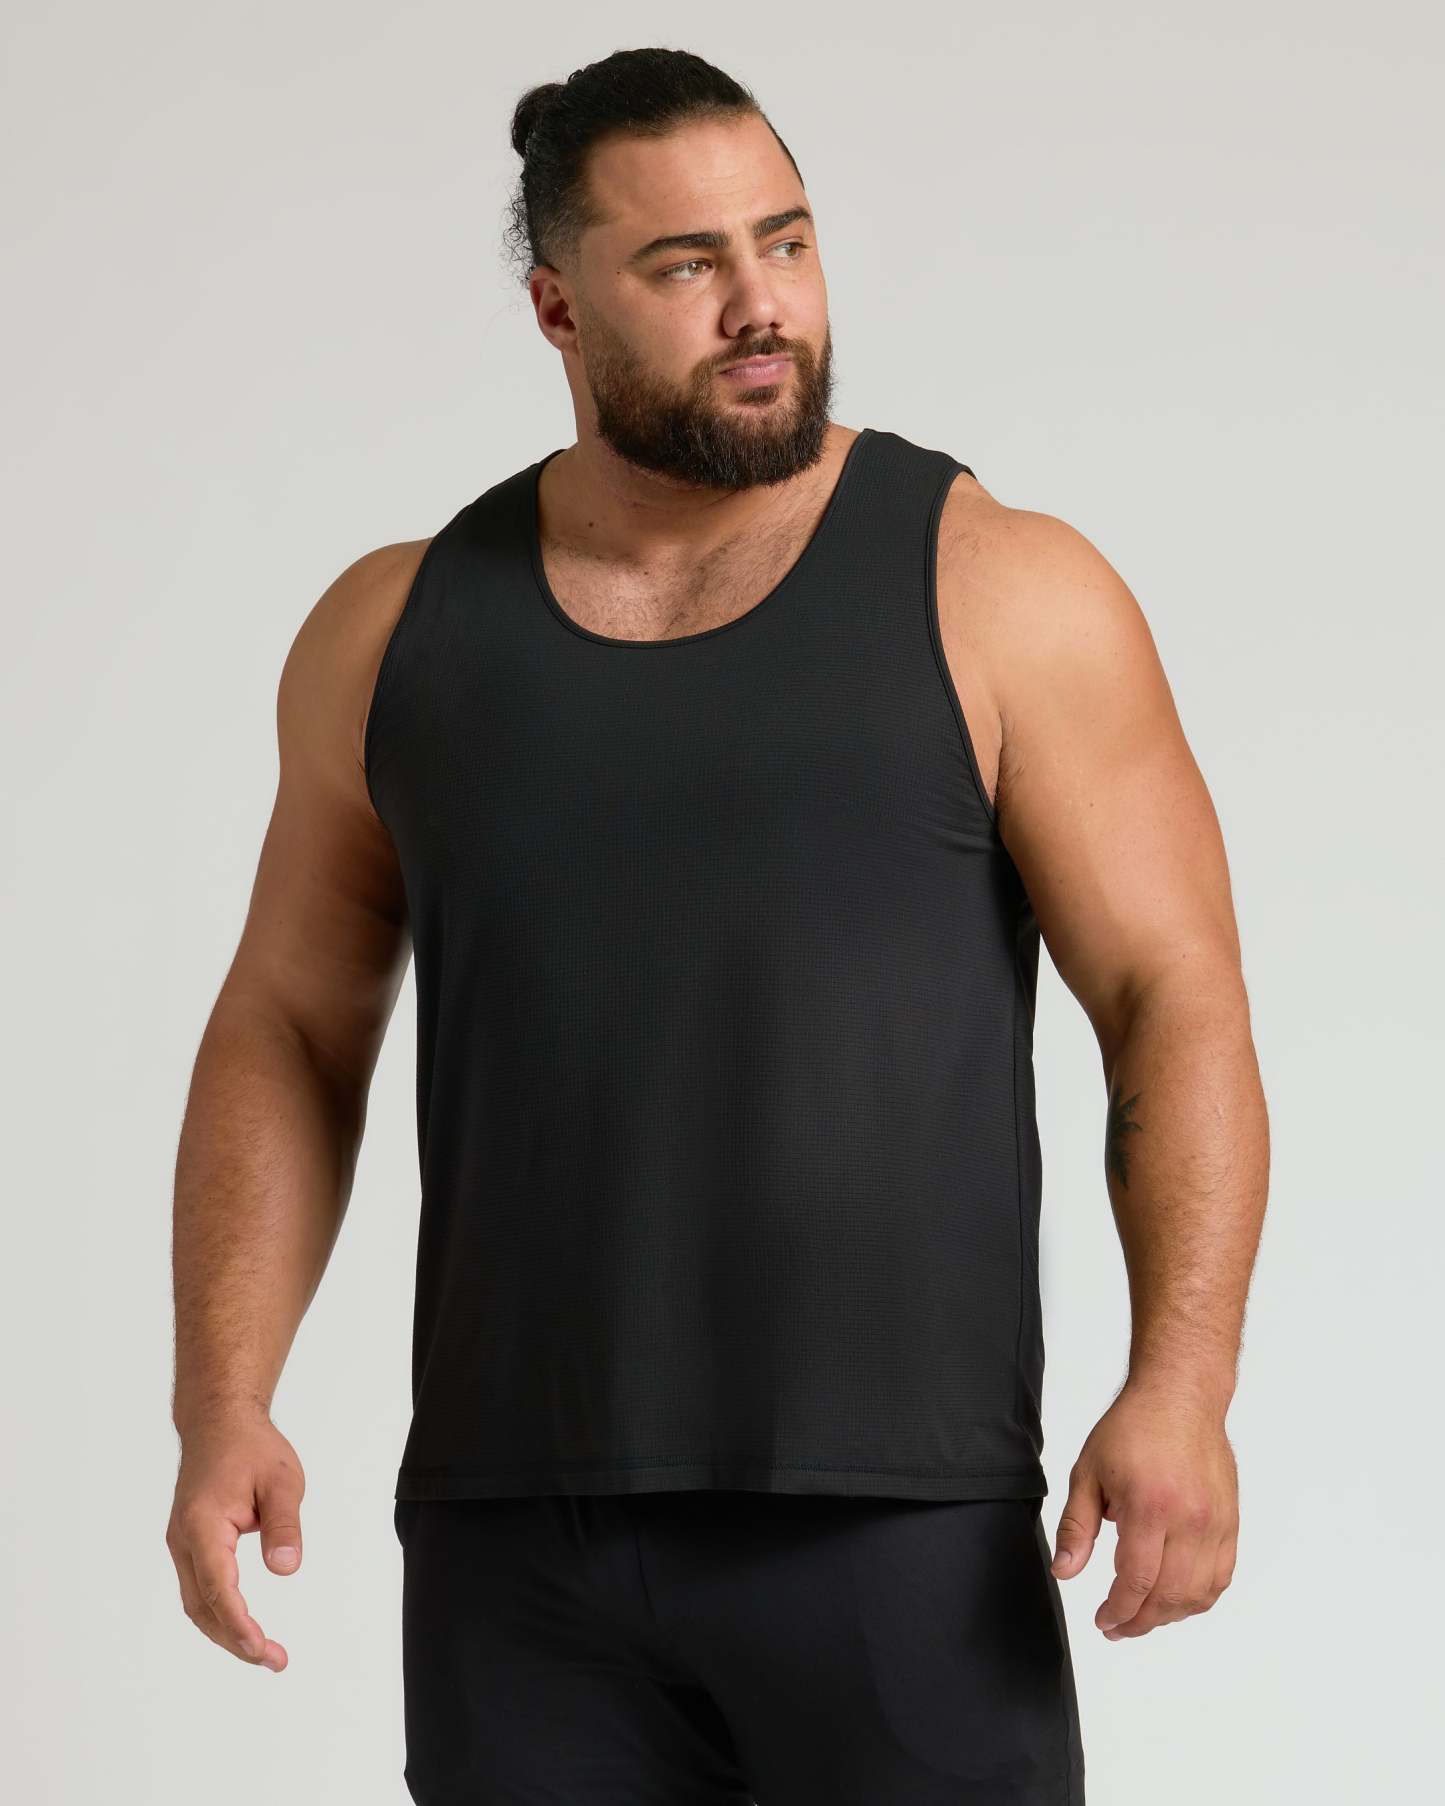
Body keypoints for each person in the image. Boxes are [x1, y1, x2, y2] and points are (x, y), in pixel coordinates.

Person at [167, 45, 1269, 1805]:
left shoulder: (999, 588)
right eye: (686, 264)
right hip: (517, 1545)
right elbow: (288, 1024)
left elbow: (1170, 994)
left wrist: (1182, 1379)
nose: (761, 305)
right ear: (557, 306)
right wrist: (222, 1396)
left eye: (787, 241)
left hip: (895, 1527)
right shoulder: (394, 631)